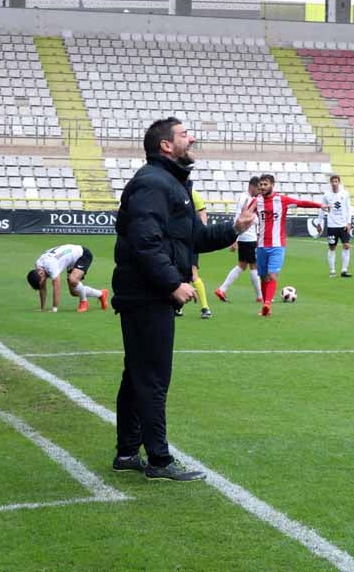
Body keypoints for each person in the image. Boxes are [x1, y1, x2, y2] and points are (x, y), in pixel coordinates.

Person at [111, 117, 256, 482]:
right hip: (146, 295)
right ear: (165, 145)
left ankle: (128, 451)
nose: (191, 139)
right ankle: (158, 460)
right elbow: (146, 243)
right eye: (184, 135)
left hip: (147, 293)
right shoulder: (151, 184)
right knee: (154, 377)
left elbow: (195, 239)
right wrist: (173, 284)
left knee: (138, 375)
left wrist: (236, 228)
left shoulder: (172, 185)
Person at [255, 173, 327, 317]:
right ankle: (265, 304)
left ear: (272, 185)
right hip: (261, 245)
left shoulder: (282, 200)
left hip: (277, 245)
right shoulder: (256, 201)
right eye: (261, 184)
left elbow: (301, 203)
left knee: (272, 275)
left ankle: (267, 304)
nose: (262, 187)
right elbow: (246, 214)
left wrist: (319, 205)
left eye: (265, 184)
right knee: (263, 277)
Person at [214, 176, 263, 303]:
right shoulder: (245, 198)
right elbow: (238, 218)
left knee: (242, 265)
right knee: (253, 265)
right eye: (258, 188)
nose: (259, 191)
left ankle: (222, 289)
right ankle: (260, 296)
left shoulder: (248, 198)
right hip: (247, 237)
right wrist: (234, 239)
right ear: (252, 186)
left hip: (246, 236)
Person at [27, 244, 109, 313]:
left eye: (42, 281)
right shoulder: (39, 266)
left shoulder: (50, 265)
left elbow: (57, 287)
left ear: (41, 273)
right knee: (74, 292)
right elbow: (42, 288)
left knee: (73, 280)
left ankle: (84, 302)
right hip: (71, 260)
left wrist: (54, 309)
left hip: (82, 254)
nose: (44, 282)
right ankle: (101, 294)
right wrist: (42, 308)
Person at [316, 174, 354, 278]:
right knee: (332, 247)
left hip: (343, 225)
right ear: (330, 183)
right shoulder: (326, 195)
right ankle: (332, 270)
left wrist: (349, 222)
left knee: (346, 245)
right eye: (332, 182)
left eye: (336, 181)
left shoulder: (345, 194)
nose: (334, 183)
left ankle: (344, 270)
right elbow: (322, 209)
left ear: (339, 182)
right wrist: (319, 223)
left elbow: (348, 208)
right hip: (332, 225)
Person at [188, 188, 213, 320]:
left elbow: (202, 212)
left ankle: (205, 307)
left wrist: (201, 231)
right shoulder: (170, 190)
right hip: (173, 239)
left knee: (193, 274)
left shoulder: (193, 193)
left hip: (190, 239)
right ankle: (178, 306)